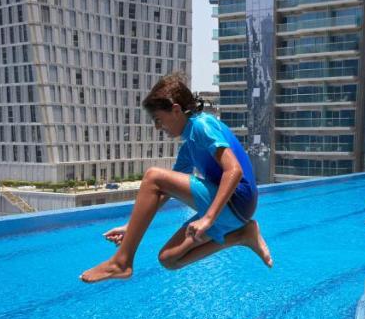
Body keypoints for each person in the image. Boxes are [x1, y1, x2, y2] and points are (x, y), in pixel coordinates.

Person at [79, 74, 271, 283]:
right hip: (234, 212)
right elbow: (163, 192)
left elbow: (234, 171)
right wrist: (130, 227)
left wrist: (208, 219)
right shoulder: (189, 146)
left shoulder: (202, 126)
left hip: (237, 201)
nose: (158, 128)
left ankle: (121, 262)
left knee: (153, 176)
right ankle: (242, 234)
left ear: (177, 110)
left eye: (159, 120)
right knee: (169, 259)